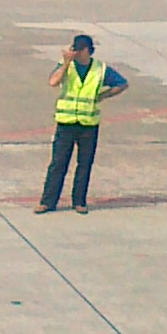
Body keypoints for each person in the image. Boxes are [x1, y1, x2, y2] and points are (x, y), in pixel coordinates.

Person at [35, 33, 127, 215]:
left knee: (84, 164)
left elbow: (122, 84)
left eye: (77, 50)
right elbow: (53, 82)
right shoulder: (67, 66)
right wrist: (66, 63)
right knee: (58, 164)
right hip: (66, 123)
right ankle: (47, 202)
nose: (74, 52)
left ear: (86, 51)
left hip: (88, 124)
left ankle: (79, 201)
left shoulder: (100, 69)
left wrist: (103, 96)